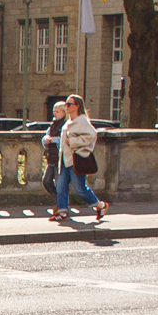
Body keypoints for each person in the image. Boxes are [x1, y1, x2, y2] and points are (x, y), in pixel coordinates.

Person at [56, 95, 105, 223]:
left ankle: (100, 205)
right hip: (64, 159)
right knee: (61, 187)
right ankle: (62, 212)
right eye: (66, 104)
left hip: (76, 159)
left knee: (80, 189)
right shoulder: (68, 121)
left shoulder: (82, 121)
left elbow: (91, 137)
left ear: (77, 106)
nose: (66, 107)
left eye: (69, 104)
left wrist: (71, 141)